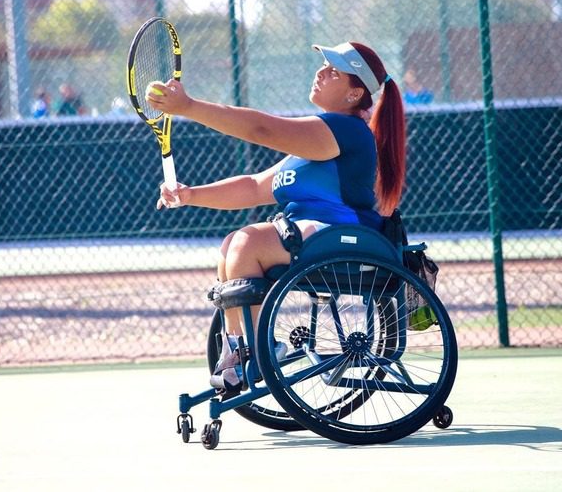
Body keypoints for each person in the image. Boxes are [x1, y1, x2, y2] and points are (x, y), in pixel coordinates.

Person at [147, 42, 407, 394]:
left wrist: (188, 107)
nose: (321, 72)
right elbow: (254, 187)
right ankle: (239, 351)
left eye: (334, 70)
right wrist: (191, 195)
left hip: (343, 237)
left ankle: (257, 352)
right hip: (314, 237)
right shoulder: (312, 145)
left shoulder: (345, 130)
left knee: (247, 243)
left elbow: (261, 130)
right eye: (323, 65)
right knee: (230, 248)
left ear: (354, 93)